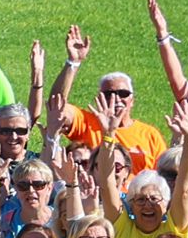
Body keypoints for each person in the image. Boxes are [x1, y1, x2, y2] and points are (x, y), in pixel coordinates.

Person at [52, 26, 166, 174]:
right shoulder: (88, 124)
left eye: (123, 93)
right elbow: (56, 106)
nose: (116, 98)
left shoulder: (150, 135)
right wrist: (73, 62)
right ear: (99, 97)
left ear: (132, 100)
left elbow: (164, 176)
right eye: (108, 93)